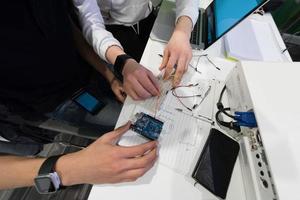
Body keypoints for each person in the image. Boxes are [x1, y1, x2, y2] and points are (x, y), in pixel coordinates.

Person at [0, 0, 158, 191]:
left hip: (88, 69)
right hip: (56, 97)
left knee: (147, 111)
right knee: (137, 130)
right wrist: (68, 168)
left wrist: (109, 76)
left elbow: (69, 28)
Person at [73, 0, 199, 100]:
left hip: (147, 16)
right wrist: (123, 62)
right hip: (113, 31)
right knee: (138, 82)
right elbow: (91, 24)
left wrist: (183, 30)